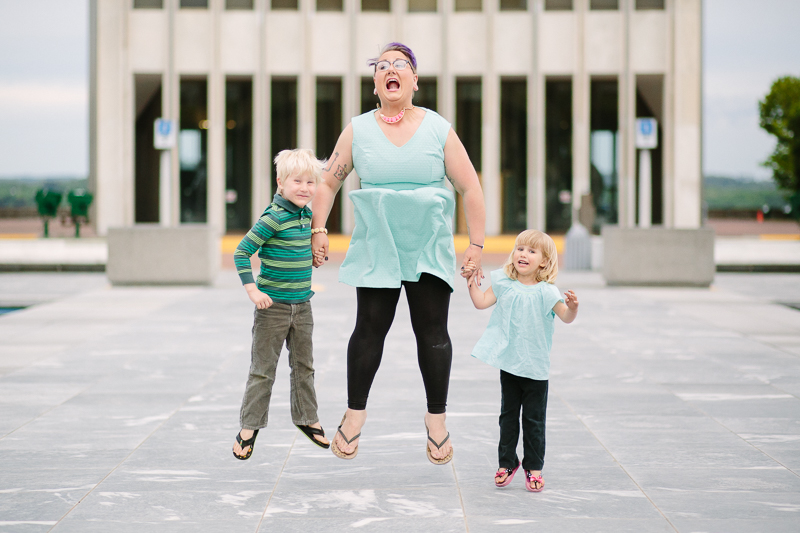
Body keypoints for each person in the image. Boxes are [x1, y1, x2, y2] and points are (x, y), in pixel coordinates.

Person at [310, 42, 486, 463]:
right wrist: (319, 227)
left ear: (414, 80)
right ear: (375, 84)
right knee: (369, 330)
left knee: (433, 334)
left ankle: (436, 420)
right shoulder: (358, 129)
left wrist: (476, 244)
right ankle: (354, 415)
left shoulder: (438, 128)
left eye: (400, 65)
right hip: (378, 245)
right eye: (383, 66)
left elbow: (470, 187)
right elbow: (328, 181)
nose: (391, 70)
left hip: (427, 245)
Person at [232, 148, 330, 460]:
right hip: (271, 308)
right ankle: (249, 427)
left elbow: (298, 251)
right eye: (297, 181)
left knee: (304, 366)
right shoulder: (273, 218)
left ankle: (306, 418)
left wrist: (313, 257)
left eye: (310, 182)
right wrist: (252, 290)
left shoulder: (305, 215)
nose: (305, 188)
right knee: (263, 370)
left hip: (302, 306)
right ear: (280, 183)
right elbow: (241, 252)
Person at [465, 229, 578, 491]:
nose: (523, 254)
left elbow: (565, 316)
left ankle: (534, 467)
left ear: (544, 262)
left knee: (534, 421)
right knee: (507, 417)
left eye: (531, 251)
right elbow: (481, 302)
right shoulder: (505, 283)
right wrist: (471, 281)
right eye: (520, 248)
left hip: (536, 369)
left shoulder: (548, 292)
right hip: (510, 365)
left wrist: (572, 307)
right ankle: (507, 462)